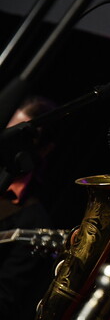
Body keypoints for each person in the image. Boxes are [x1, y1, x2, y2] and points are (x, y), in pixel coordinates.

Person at [0, 96, 58, 320]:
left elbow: (5, 300)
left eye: (22, 139)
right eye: (9, 133)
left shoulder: (34, 222)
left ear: (44, 150)